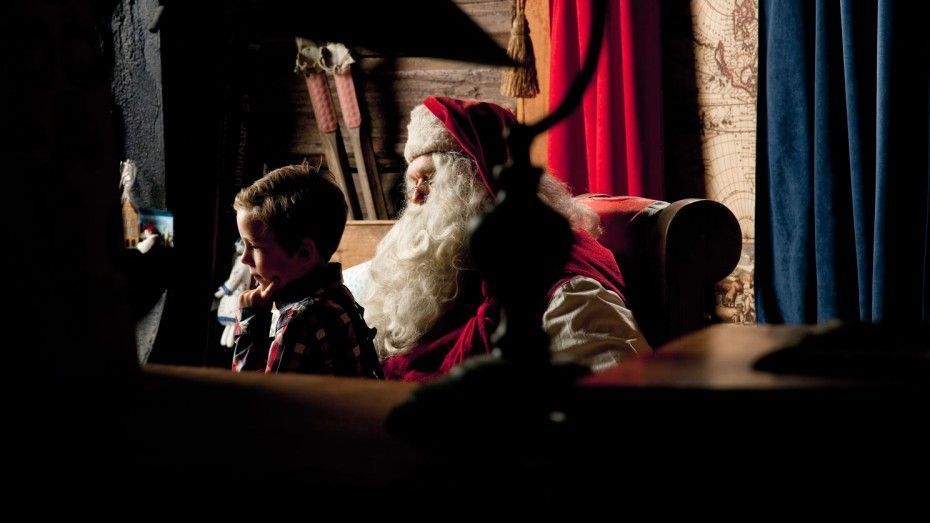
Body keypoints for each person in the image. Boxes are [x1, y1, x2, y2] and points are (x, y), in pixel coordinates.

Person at [360, 96, 650, 381]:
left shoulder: (564, 288)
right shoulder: (439, 274)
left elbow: (618, 401)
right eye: (413, 181)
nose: (416, 196)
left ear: (477, 182)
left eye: (429, 179)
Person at [231, 164, 382, 378]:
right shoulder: (338, 295)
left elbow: (255, 400)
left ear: (303, 252)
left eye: (254, 246)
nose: (245, 259)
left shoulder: (300, 319)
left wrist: (250, 322)